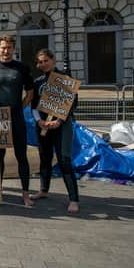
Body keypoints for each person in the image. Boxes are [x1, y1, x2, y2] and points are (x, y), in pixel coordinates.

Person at [0, 35, 34, 206]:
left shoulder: (22, 68)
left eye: (9, 48)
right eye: (3, 47)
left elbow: (30, 93)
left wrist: (20, 107)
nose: (5, 51)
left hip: (16, 117)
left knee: (21, 155)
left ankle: (26, 194)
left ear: (14, 49)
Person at [30, 49, 80, 213]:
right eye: (40, 62)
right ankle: (44, 190)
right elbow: (34, 105)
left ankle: (73, 199)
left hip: (61, 126)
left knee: (64, 160)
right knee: (45, 158)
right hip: (43, 126)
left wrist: (59, 121)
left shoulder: (66, 80)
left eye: (46, 61)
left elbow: (72, 104)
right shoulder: (37, 82)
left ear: (53, 60)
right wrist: (40, 121)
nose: (43, 64)